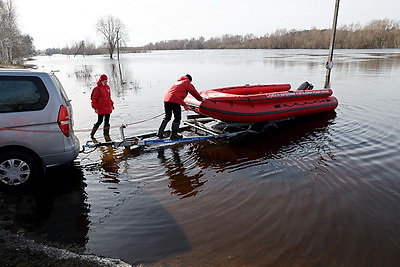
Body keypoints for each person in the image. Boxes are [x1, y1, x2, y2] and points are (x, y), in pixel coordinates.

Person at [157, 74, 204, 139]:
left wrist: (184, 105)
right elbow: (194, 92)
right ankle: (174, 135)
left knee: (167, 117)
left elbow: (176, 95)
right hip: (174, 101)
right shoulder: (186, 83)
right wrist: (201, 99)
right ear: (189, 80)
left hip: (166, 100)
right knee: (177, 118)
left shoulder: (177, 82)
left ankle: (159, 133)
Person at [90, 74, 114, 141]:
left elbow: (109, 98)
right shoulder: (97, 89)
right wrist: (95, 108)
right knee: (99, 121)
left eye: (106, 80)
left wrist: (112, 104)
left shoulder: (107, 87)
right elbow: (93, 99)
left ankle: (106, 135)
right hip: (101, 108)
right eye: (105, 80)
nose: (106, 82)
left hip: (108, 108)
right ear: (101, 80)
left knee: (107, 122)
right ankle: (92, 134)